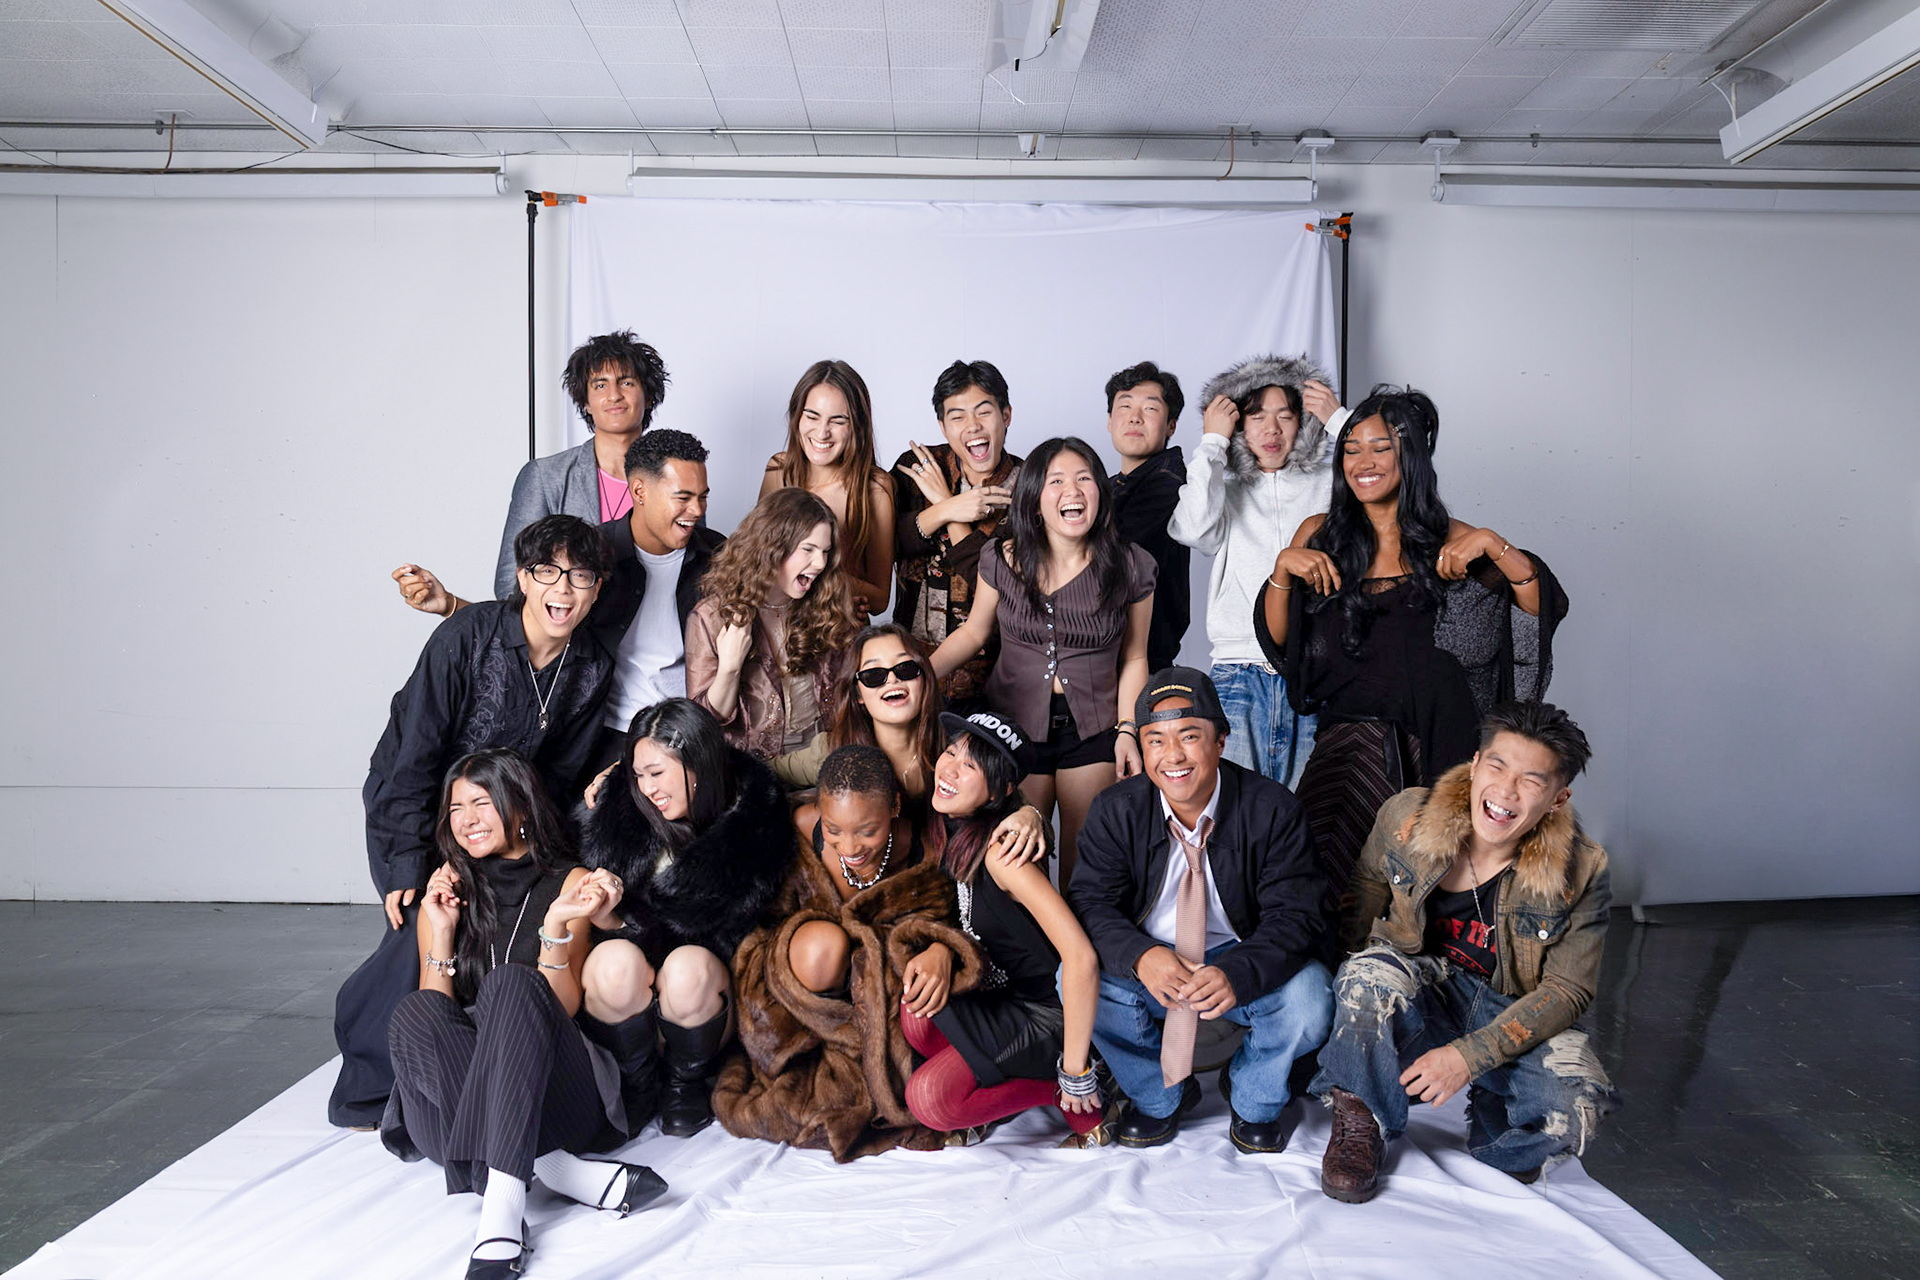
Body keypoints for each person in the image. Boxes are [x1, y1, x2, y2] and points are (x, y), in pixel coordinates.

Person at [331, 514, 617, 1129]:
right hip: (416, 805)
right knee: (419, 925)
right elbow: (414, 756)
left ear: (597, 589)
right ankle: (373, 1090)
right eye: (548, 572)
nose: (563, 590)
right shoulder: (466, 637)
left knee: (485, 930)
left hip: (499, 819)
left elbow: (559, 775)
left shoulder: (591, 664)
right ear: (523, 578)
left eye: (581, 577)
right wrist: (410, 860)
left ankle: (474, 1065)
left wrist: (545, 849)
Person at [1255, 385, 1569, 907]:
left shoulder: (1453, 538)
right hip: (1345, 753)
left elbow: (1538, 608)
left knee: (1415, 906)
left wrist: (1495, 544)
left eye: (1381, 448)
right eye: (1351, 449)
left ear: (1411, 457)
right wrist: (1282, 571)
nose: (1363, 462)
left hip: (1437, 753)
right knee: (1311, 889)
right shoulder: (1320, 534)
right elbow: (1284, 642)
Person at [1315, 701, 1618, 1202]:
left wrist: (1470, 1057)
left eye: (1532, 781)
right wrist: (1348, 1014)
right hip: (1420, 987)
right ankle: (1363, 1117)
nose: (1506, 791)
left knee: (1574, 1106)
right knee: (1365, 978)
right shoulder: (1407, 815)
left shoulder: (1582, 868)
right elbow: (1366, 886)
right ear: (1475, 764)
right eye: (1497, 766)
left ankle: (1495, 1128)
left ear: (1558, 798)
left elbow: (1568, 990)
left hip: (1508, 1009)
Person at [381, 750, 665, 1277]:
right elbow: (437, 1018)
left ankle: (501, 1213)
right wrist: (440, 932)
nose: (466, 820)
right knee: (414, 1011)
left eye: (481, 803)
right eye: (455, 809)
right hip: (454, 1101)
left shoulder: (570, 883)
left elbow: (561, 1008)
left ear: (520, 807)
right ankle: (556, 1170)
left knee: (510, 983)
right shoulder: (446, 895)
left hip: (552, 1092)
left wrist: (556, 925)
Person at [1067, 668, 1332, 1154]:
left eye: (1189, 736)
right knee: (1073, 979)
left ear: (1221, 740)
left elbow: (1297, 916)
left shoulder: (1273, 809)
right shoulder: (1115, 810)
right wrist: (1140, 955)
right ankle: (1159, 1095)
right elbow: (1090, 903)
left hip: (1240, 954)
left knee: (1311, 999)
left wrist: (1238, 970)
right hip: (1152, 959)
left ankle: (1253, 1096)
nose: (1172, 756)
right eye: (1155, 740)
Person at [712, 745, 989, 1161]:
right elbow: (760, 917)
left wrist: (941, 948)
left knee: (913, 996)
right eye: (834, 829)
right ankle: (821, 1054)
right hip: (798, 987)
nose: (849, 846)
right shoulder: (798, 830)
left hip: (879, 993)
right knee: (823, 946)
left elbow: (949, 919)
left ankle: (869, 1068)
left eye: (867, 830)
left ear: (895, 807)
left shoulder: (925, 849)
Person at [394, 430, 723, 775]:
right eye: (683, 497)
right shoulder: (591, 556)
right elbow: (526, 623)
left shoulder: (718, 556)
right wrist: (451, 606)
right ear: (639, 491)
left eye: (703, 497)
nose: (697, 510)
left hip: (689, 730)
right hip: (604, 737)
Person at [929, 437, 1156, 887]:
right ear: (1035, 499)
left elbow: (1134, 656)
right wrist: (919, 676)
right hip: (1012, 728)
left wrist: (1129, 731)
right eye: (1056, 481)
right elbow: (973, 633)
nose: (1072, 491)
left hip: (1092, 729)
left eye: (1084, 479)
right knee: (1017, 860)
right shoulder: (1002, 557)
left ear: (1100, 493)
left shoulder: (1131, 565)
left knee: (1082, 864)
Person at [573, 699, 792, 1139]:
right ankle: (635, 1083)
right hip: (634, 1005)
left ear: (697, 763)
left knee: (688, 967)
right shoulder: (622, 816)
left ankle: (683, 1083)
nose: (647, 788)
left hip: (706, 1004)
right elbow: (625, 931)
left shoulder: (754, 824)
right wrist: (609, 917)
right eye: (638, 775)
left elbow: (731, 938)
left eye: (657, 773)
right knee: (612, 961)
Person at [900, 711, 1108, 1148]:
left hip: (1047, 1015)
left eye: (970, 766)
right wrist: (941, 948)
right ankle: (996, 1081)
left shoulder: (1002, 855)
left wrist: (1076, 1070)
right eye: (951, 752)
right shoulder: (948, 826)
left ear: (998, 792)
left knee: (930, 1100)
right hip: (1003, 997)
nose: (949, 769)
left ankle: (1063, 1093)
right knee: (916, 1011)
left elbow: (1082, 957)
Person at [1170, 355, 1345, 789]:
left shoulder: (1330, 484)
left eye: (1286, 416)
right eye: (1257, 416)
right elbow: (1191, 530)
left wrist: (1340, 422)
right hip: (1238, 672)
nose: (1272, 430)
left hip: (1315, 669)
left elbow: (1397, 479)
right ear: (1239, 426)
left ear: (1304, 423)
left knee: (1313, 811)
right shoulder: (1222, 488)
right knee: (1236, 809)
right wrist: (1213, 442)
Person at [392, 331, 667, 608]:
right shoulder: (546, 477)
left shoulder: (675, 477)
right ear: (585, 401)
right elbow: (510, 582)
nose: (614, 395)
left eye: (627, 382)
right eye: (600, 385)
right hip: (571, 629)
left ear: (647, 395)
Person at [771, 622, 1049, 864]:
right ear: (858, 695)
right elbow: (764, 775)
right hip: (873, 885)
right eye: (874, 675)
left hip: (945, 884)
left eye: (905, 669)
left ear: (924, 679)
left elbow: (1008, 795)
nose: (892, 679)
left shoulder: (955, 744)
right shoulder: (834, 748)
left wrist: (1031, 814)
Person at [685, 487, 855, 759]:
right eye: (808, 549)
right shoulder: (712, 616)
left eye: (826, 551)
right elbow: (703, 721)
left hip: (822, 754)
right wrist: (730, 667)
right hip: (752, 767)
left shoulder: (827, 604)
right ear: (772, 546)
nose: (820, 563)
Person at [892, 359, 1023, 709]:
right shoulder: (917, 468)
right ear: (942, 425)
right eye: (958, 416)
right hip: (906, 666)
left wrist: (948, 510)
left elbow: (998, 586)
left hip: (995, 682)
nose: (973, 426)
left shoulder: (1032, 489)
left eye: (984, 412)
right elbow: (883, 546)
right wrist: (946, 508)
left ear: (1006, 415)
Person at [759, 359, 895, 616]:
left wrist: (818, 576)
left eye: (838, 421)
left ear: (857, 426)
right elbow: (758, 561)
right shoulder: (778, 470)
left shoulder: (874, 488)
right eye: (812, 416)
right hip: (773, 622)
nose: (822, 433)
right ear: (797, 416)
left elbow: (879, 600)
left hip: (836, 628)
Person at [1104, 361, 1190, 672]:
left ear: (1171, 426)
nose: (1134, 417)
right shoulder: (1111, 486)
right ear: (1110, 421)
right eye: (1124, 406)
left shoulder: (1169, 482)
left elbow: (1103, 551)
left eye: (1150, 408)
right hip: (1104, 659)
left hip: (1142, 662)